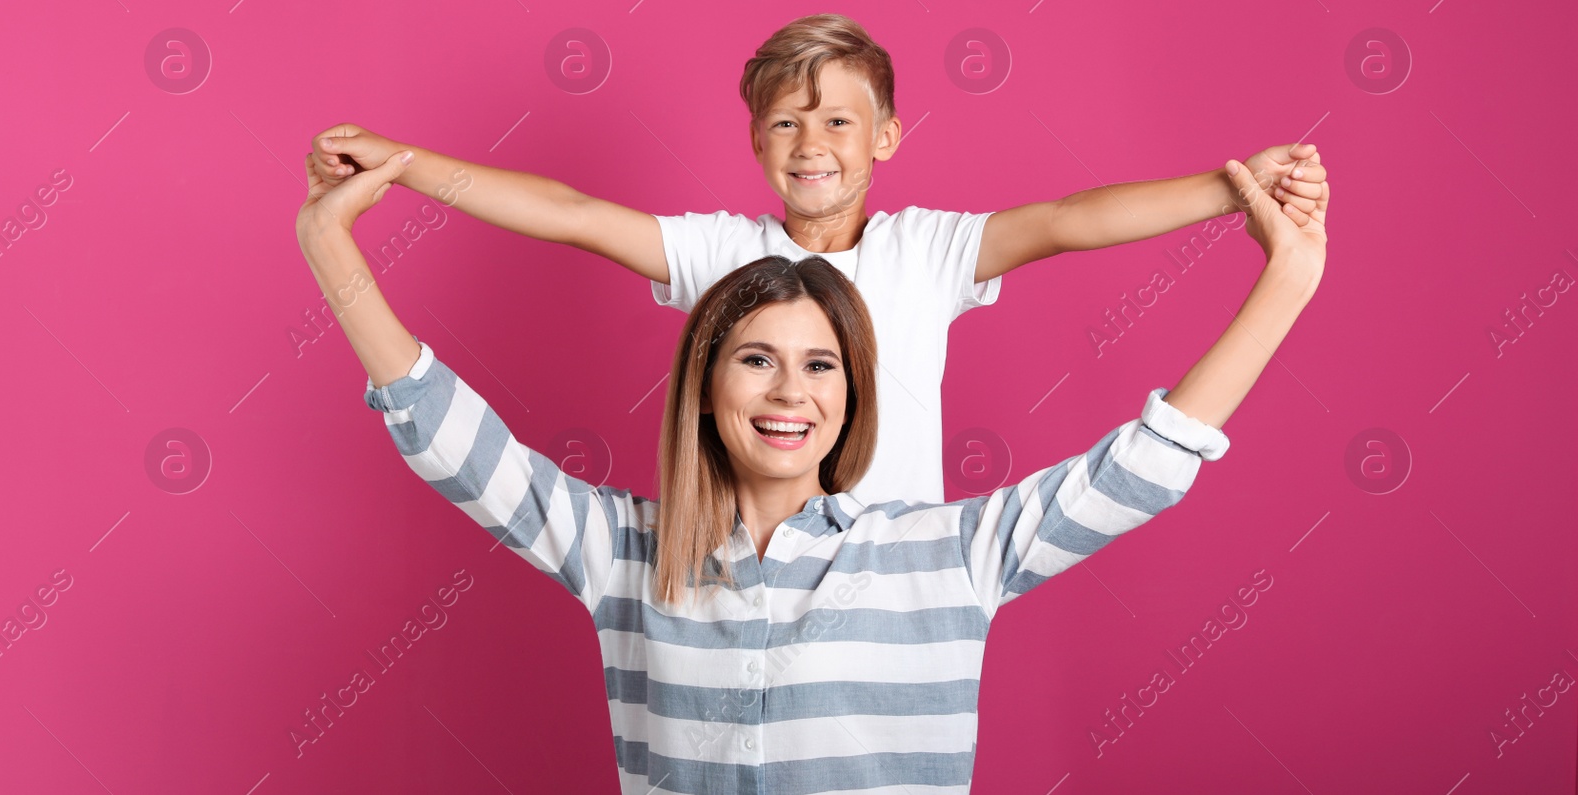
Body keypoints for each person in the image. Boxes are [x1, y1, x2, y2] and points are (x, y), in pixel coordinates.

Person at [295, 136, 1329, 793]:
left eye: (819, 364)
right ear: (706, 382)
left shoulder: (942, 554)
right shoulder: (621, 549)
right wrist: (330, 245)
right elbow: (443, 431)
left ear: (850, 394)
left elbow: (1145, 461)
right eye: (756, 358)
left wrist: (1288, 277)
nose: (790, 390)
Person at [305, 13, 1325, 505]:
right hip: (742, 562)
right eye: (785, 122)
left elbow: (1066, 217)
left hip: (894, 571)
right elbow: (570, 211)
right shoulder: (720, 251)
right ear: (756, 143)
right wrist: (397, 167)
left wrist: (1232, 185)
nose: (810, 142)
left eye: (838, 119)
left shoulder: (929, 248)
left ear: (883, 138)